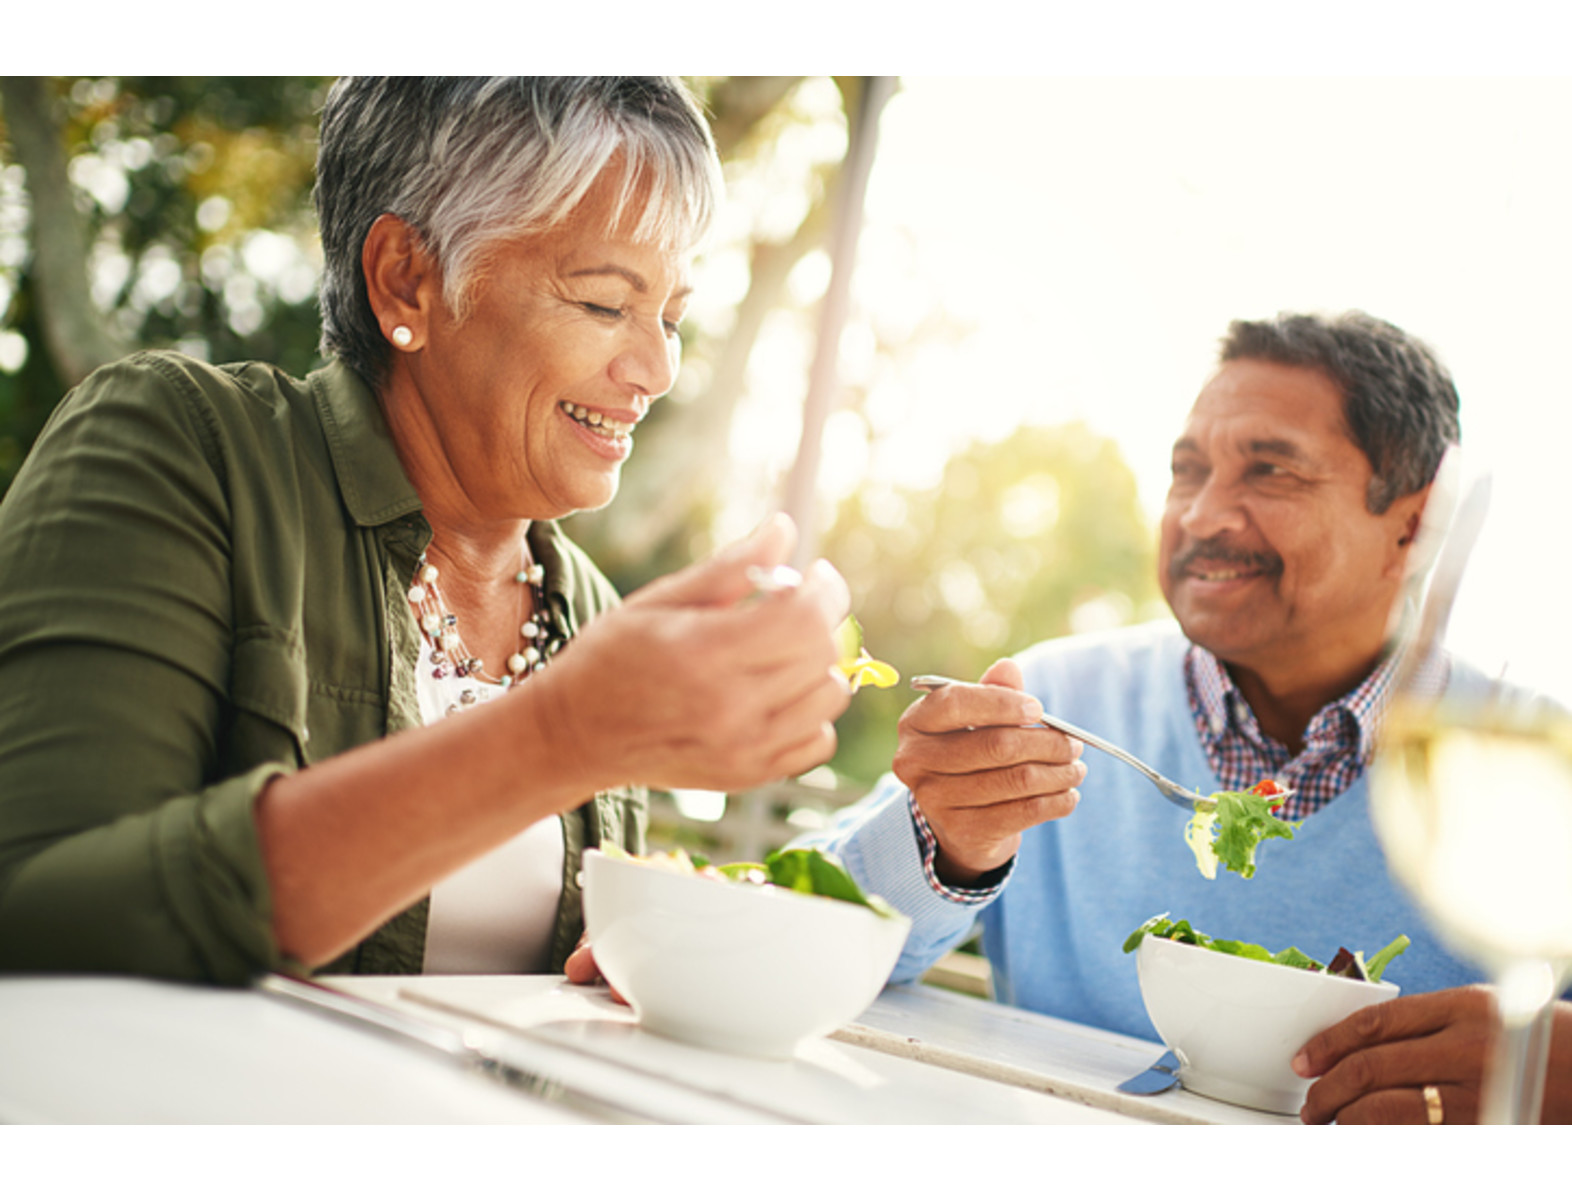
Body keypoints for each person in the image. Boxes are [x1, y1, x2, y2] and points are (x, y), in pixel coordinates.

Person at [0, 77, 851, 984]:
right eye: (606, 304)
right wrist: (556, 737)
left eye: (673, 316)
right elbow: (37, 909)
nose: (656, 369)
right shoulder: (186, 448)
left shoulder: (593, 615)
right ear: (408, 279)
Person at [799, 309, 1557, 1123]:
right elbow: (795, 936)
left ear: (1413, 523)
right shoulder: (1054, 708)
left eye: (1270, 472)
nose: (1201, 516)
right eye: (1187, 471)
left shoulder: (1528, 765)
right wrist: (947, 849)